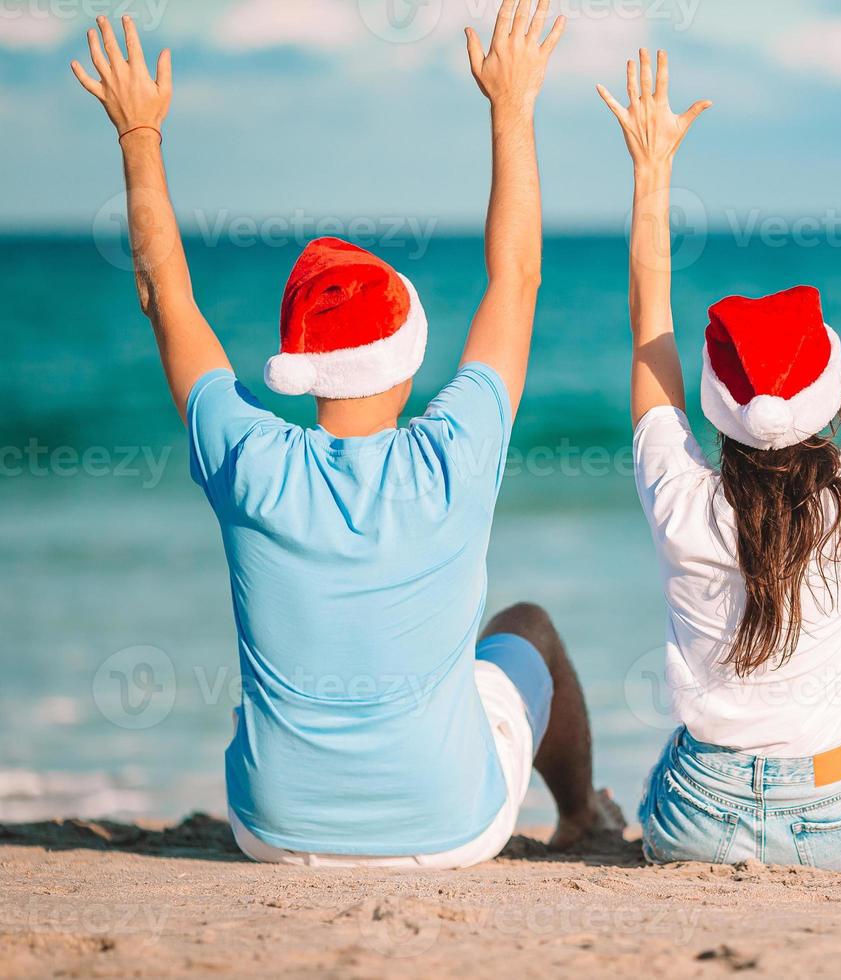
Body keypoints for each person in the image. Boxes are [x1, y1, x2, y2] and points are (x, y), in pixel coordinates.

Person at [69, 2, 621, 867]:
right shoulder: (456, 452)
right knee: (529, 630)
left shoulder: (246, 453)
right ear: (405, 364)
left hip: (274, 832)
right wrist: (511, 106)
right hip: (453, 831)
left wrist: (139, 132)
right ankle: (585, 818)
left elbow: (164, 297)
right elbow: (517, 278)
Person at [596, 43, 841, 871]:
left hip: (697, 821)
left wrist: (652, 167)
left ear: (715, 406)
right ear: (829, 401)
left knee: (689, 738)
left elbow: (649, 321)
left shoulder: (679, 494)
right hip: (839, 826)